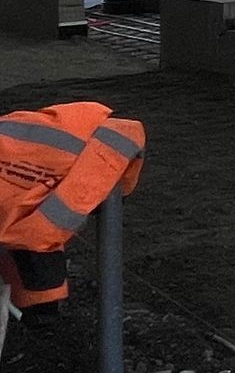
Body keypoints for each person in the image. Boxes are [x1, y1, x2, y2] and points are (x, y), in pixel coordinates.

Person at [0, 103, 145, 330]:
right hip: (99, 139)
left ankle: (41, 310)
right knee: (35, 225)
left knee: (39, 227)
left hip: (107, 146)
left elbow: (36, 235)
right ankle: (41, 310)